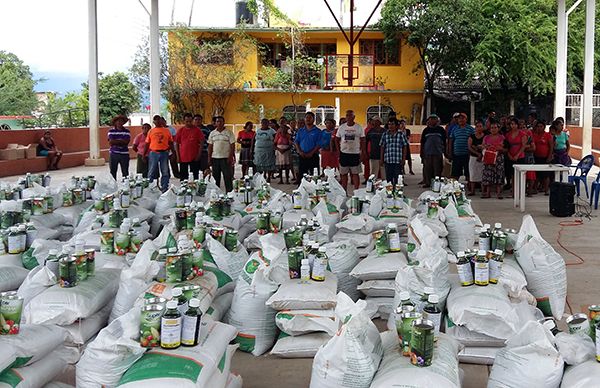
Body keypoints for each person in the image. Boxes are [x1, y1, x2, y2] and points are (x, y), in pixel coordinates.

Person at [336, 110, 366, 191]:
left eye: (350, 115)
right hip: (344, 154)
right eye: (347, 115)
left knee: (355, 174)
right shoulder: (341, 127)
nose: (348, 117)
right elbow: (336, 139)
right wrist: (338, 152)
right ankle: (344, 191)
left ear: (354, 117)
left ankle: (356, 191)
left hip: (355, 154)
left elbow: (363, 140)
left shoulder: (358, 127)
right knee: (343, 174)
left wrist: (363, 152)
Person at [207, 116, 236, 193]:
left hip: (225, 158)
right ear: (215, 123)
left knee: (227, 177)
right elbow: (210, 146)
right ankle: (216, 194)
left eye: (221, 121)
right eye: (217, 121)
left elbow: (232, 145)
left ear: (224, 122)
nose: (219, 123)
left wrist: (230, 157)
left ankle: (229, 194)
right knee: (215, 178)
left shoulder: (229, 132)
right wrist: (209, 158)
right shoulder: (212, 133)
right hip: (215, 158)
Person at [145, 117, 174, 192]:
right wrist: (144, 154)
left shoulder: (167, 131)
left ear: (162, 121)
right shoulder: (151, 131)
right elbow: (147, 143)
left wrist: (173, 152)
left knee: (165, 171)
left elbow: (170, 142)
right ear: (153, 121)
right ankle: (149, 187)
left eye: (159, 120)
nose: (157, 121)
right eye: (156, 120)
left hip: (164, 153)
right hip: (153, 153)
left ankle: (164, 188)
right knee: (151, 171)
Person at [175, 112, 204, 180]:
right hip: (183, 157)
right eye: (187, 121)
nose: (188, 123)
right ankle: (184, 189)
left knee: (195, 176)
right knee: (183, 177)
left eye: (190, 121)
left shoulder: (197, 130)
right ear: (184, 121)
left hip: (194, 157)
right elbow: (176, 144)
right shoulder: (181, 130)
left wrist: (199, 155)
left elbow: (202, 142)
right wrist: (178, 156)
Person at [481, 121, 506, 199]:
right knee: (488, 174)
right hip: (488, 157)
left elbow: (503, 147)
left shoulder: (502, 137)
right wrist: (486, 147)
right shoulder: (486, 137)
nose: (493, 129)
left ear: (498, 128)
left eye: (495, 127)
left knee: (499, 174)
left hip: (498, 158)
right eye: (492, 128)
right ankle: (488, 193)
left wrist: (497, 148)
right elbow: (483, 145)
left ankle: (499, 193)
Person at [420, 114, 446, 188]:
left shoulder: (441, 130)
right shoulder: (426, 130)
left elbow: (444, 141)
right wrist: (421, 153)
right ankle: (428, 182)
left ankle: (436, 184)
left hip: (438, 153)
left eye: (433, 119)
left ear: (437, 121)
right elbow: (422, 142)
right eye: (430, 119)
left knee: (437, 169)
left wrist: (445, 151)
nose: (431, 121)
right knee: (427, 169)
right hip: (427, 153)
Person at [380, 118, 408, 185]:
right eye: (389, 124)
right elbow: (382, 147)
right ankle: (389, 194)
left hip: (398, 160)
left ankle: (396, 193)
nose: (390, 126)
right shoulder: (385, 134)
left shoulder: (401, 134)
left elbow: (405, 147)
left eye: (392, 124)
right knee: (389, 179)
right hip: (388, 160)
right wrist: (381, 159)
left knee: (397, 179)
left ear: (396, 126)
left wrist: (404, 159)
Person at [504, 117, 528, 196]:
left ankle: (521, 191)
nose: (513, 126)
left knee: (521, 174)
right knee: (512, 175)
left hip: (520, 156)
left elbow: (523, 146)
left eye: (514, 124)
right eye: (511, 124)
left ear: (517, 125)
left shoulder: (522, 134)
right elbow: (506, 146)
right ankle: (514, 191)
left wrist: (517, 155)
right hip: (510, 155)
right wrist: (510, 155)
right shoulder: (507, 135)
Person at [294, 112, 321, 178]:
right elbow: (296, 142)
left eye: (310, 117)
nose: (308, 119)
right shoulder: (300, 131)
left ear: (313, 119)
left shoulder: (318, 131)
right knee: (302, 176)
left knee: (314, 175)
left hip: (313, 156)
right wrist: (300, 151)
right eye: (306, 117)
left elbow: (319, 144)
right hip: (302, 155)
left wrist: (311, 153)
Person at [448, 113, 474, 181]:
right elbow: (451, 141)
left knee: (468, 173)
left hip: (467, 155)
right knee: (454, 174)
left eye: (463, 118)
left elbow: (474, 141)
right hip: (456, 155)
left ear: (466, 119)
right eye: (459, 118)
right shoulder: (454, 129)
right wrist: (450, 152)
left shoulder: (471, 129)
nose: (461, 120)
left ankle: (470, 189)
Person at [532, 120, 554, 195]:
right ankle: (535, 189)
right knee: (536, 174)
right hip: (536, 157)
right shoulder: (534, 135)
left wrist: (549, 156)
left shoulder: (548, 135)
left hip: (545, 157)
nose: (539, 128)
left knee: (546, 175)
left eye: (541, 126)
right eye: (538, 126)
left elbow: (551, 147)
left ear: (544, 127)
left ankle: (546, 190)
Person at [107, 115, 131, 180]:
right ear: (115, 122)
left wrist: (116, 141)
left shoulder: (127, 131)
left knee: (125, 172)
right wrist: (121, 141)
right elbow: (111, 142)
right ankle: (113, 187)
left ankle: (125, 187)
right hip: (114, 154)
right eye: (118, 121)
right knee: (113, 172)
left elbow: (126, 142)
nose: (120, 122)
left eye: (121, 121)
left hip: (124, 154)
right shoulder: (111, 131)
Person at [467, 120, 486, 196]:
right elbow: (469, 147)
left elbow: (486, 146)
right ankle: (472, 191)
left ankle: (483, 191)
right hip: (473, 157)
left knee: (482, 174)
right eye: (477, 126)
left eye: (480, 126)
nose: (479, 128)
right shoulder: (471, 137)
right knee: (472, 173)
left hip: (483, 157)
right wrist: (477, 153)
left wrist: (481, 154)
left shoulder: (485, 136)